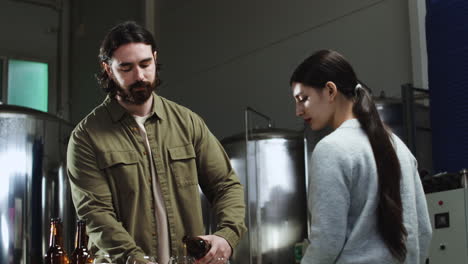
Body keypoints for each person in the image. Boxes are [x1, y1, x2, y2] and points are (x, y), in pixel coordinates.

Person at [67, 21, 246, 264]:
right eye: (126, 68)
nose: (139, 75)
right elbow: (96, 214)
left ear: (154, 58)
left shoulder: (187, 122)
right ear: (108, 69)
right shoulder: (86, 136)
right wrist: (135, 259)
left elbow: (226, 185)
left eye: (145, 64)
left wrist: (227, 236)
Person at [290, 49, 432, 263]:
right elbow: (424, 232)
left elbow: (327, 242)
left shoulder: (331, 149)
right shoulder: (399, 147)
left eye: (303, 99)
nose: (298, 111)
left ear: (330, 91)